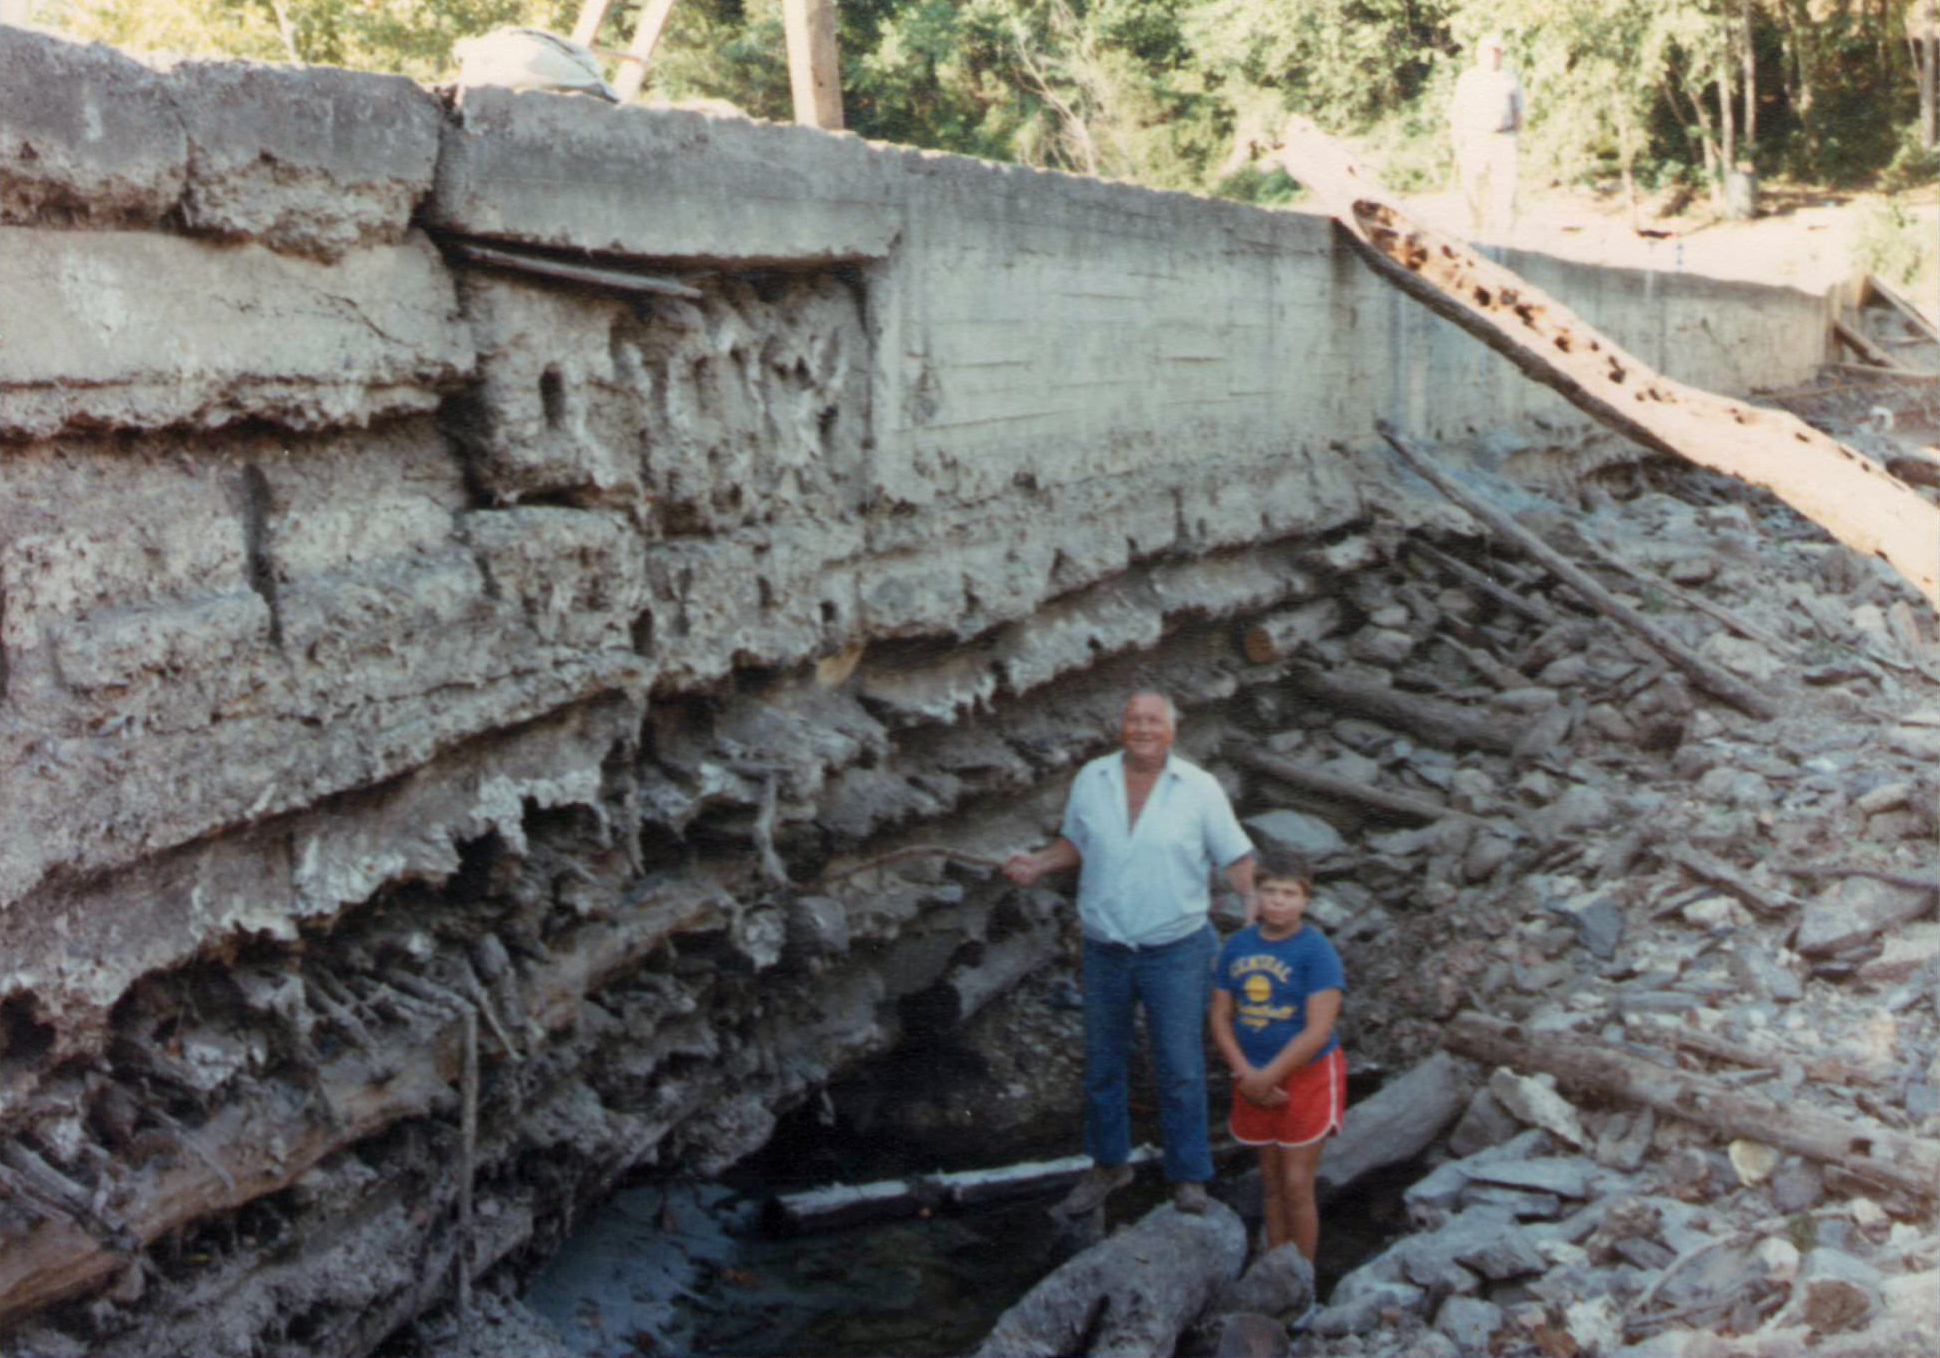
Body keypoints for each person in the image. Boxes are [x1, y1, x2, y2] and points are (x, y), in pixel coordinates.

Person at [1004, 691, 1255, 1217]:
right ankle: (1108, 1166)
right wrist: (1037, 865)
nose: (1142, 728)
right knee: (1103, 1063)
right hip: (1106, 946)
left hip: (1178, 947)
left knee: (1180, 1065)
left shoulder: (1199, 788)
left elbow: (1235, 854)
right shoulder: (1092, 779)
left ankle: (1188, 1176)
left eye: (1153, 720)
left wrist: (1254, 910)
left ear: (1172, 729)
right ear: (1120, 727)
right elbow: (1074, 845)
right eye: (1133, 719)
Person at [1209, 848, 1345, 1260]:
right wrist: (1245, 1073)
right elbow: (1219, 1015)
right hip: (1250, 1074)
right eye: (1270, 891)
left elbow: (1317, 1028)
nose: (1279, 901)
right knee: (1270, 1182)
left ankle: (1301, 1282)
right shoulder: (1237, 946)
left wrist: (1266, 1078)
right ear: (1256, 895)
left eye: (1289, 893)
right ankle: (1276, 1263)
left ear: (1305, 899)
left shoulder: (1317, 950)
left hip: (1306, 1075)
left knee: (1297, 1183)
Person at [1449, 33, 1523, 238]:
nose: (1494, 56)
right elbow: (1458, 110)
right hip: (1476, 138)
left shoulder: (1510, 78)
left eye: (1497, 52)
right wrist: (1458, 139)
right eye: (1490, 52)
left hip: (1504, 138)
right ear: (1480, 54)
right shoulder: (1469, 78)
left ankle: (1506, 235)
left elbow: (1518, 111)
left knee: (1506, 188)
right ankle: (1475, 230)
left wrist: (1515, 137)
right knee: (1472, 186)